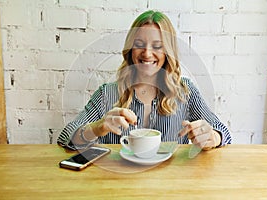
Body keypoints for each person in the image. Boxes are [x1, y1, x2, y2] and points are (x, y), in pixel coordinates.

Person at [57, 10, 231, 151]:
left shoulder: (185, 91)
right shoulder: (107, 94)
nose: (147, 54)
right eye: (139, 44)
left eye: (157, 46)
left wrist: (212, 137)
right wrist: (97, 127)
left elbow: (223, 133)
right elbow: (66, 137)